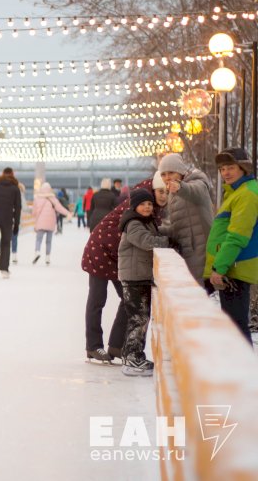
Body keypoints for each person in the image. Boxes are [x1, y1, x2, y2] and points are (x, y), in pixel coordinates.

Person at [82, 173, 168, 363]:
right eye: (161, 191)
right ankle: (93, 346)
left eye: (167, 192)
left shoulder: (151, 206)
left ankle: (116, 345)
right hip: (101, 249)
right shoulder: (141, 203)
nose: (164, 196)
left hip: (118, 256)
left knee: (126, 299)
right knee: (98, 298)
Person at [204, 148, 257, 342]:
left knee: (235, 326)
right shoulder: (237, 193)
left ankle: (243, 370)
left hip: (235, 266)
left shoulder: (247, 194)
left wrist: (220, 267)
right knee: (233, 325)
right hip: (231, 266)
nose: (225, 172)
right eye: (222, 169)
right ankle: (239, 369)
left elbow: (237, 236)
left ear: (243, 168)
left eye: (231, 167)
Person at [117, 188, 170, 376]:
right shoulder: (133, 223)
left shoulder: (145, 222)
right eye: (143, 204)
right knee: (138, 318)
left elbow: (156, 232)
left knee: (141, 317)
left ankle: (132, 354)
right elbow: (146, 241)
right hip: (133, 278)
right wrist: (168, 242)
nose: (147, 207)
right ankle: (132, 358)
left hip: (140, 276)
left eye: (149, 204)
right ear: (135, 206)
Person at [158, 153, 214, 285]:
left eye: (171, 172)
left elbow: (196, 191)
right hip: (187, 247)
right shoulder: (173, 193)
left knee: (197, 290)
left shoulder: (196, 182)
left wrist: (180, 187)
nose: (167, 178)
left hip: (200, 247)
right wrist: (159, 230)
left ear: (180, 171)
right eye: (163, 174)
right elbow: (179, 226)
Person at [31, 182, 72, 265]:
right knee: (48, 241)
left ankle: (37, 252)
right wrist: (68, 213)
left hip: (40, 223)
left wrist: (34, 216)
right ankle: (47, 258)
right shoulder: (53, 199)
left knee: (39, 239)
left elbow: (34, 212)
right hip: (50, 223)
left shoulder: (37, 199)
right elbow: (60, 208)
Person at [11, 181, 28, 264]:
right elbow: (24, 207)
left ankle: (1, 252)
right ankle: (14, 255)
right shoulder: (20, 194)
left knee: (5, 236)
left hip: (6, 216)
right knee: (14, 237)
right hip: (16, 217)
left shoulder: (7, 191)